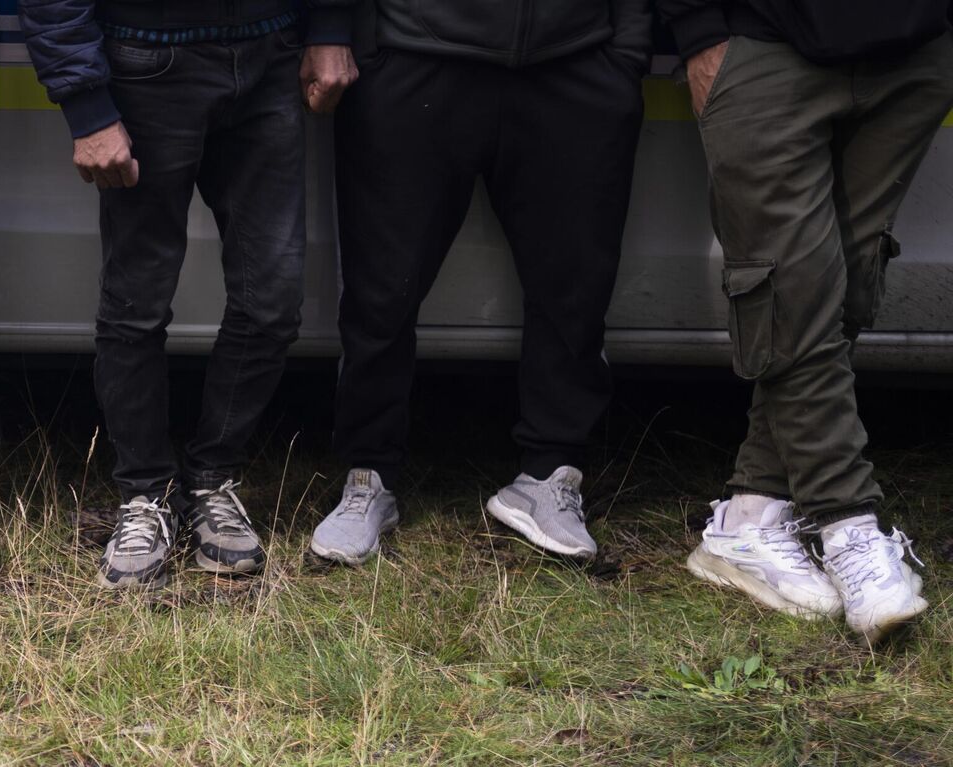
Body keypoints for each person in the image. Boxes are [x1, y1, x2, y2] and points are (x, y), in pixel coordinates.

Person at [303, 0, 649, 566]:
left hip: (578, 57)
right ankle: (369, 477)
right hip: (413, 50)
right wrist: (351, 32)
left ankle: (549, 475)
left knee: (574, 287)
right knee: (382, 288)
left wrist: (626, 50)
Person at [22, 0, 351, 589]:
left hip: (271, 54)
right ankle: (145, 494)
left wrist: (328, 24)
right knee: (136, 305)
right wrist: (87, 104)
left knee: (272, 300)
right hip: (146, 60)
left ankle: (210, 481)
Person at [657, 0, 952, 642]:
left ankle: (750, 516)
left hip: (913, 43)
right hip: (760, 39)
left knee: (843, 288)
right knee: (790, 291)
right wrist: (700, 29)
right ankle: (849, 527)